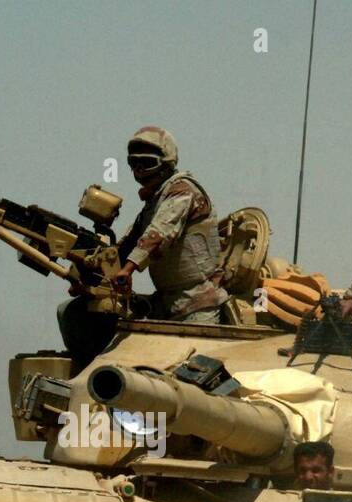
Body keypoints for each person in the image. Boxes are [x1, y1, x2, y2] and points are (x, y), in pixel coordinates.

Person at [57, 127, 228, 368]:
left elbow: (159, 234)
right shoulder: (154, 201)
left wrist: (128, 269)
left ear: (166, 163)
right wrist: (89, 275)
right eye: (133, 163)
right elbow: (125, 245)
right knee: (76, 314)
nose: (138, 171)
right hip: (165, 303)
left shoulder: (183, 191)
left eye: (146, 163)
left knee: (195, 374)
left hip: (198, 304)